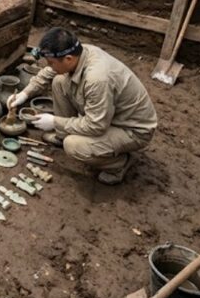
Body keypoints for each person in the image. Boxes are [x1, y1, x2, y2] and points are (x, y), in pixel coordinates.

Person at [9, 28, 157, 185]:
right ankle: (62, 136)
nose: (50, 66)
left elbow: (96, 125)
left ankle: (119, 164)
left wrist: (55, 122)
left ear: (68, 59)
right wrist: (24, 94)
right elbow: (48, 73)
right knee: (59, 81)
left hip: (132, 129)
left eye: (51, 63)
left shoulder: (97, 79)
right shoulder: (79, 52)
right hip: (110, 115)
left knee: (73, 146)